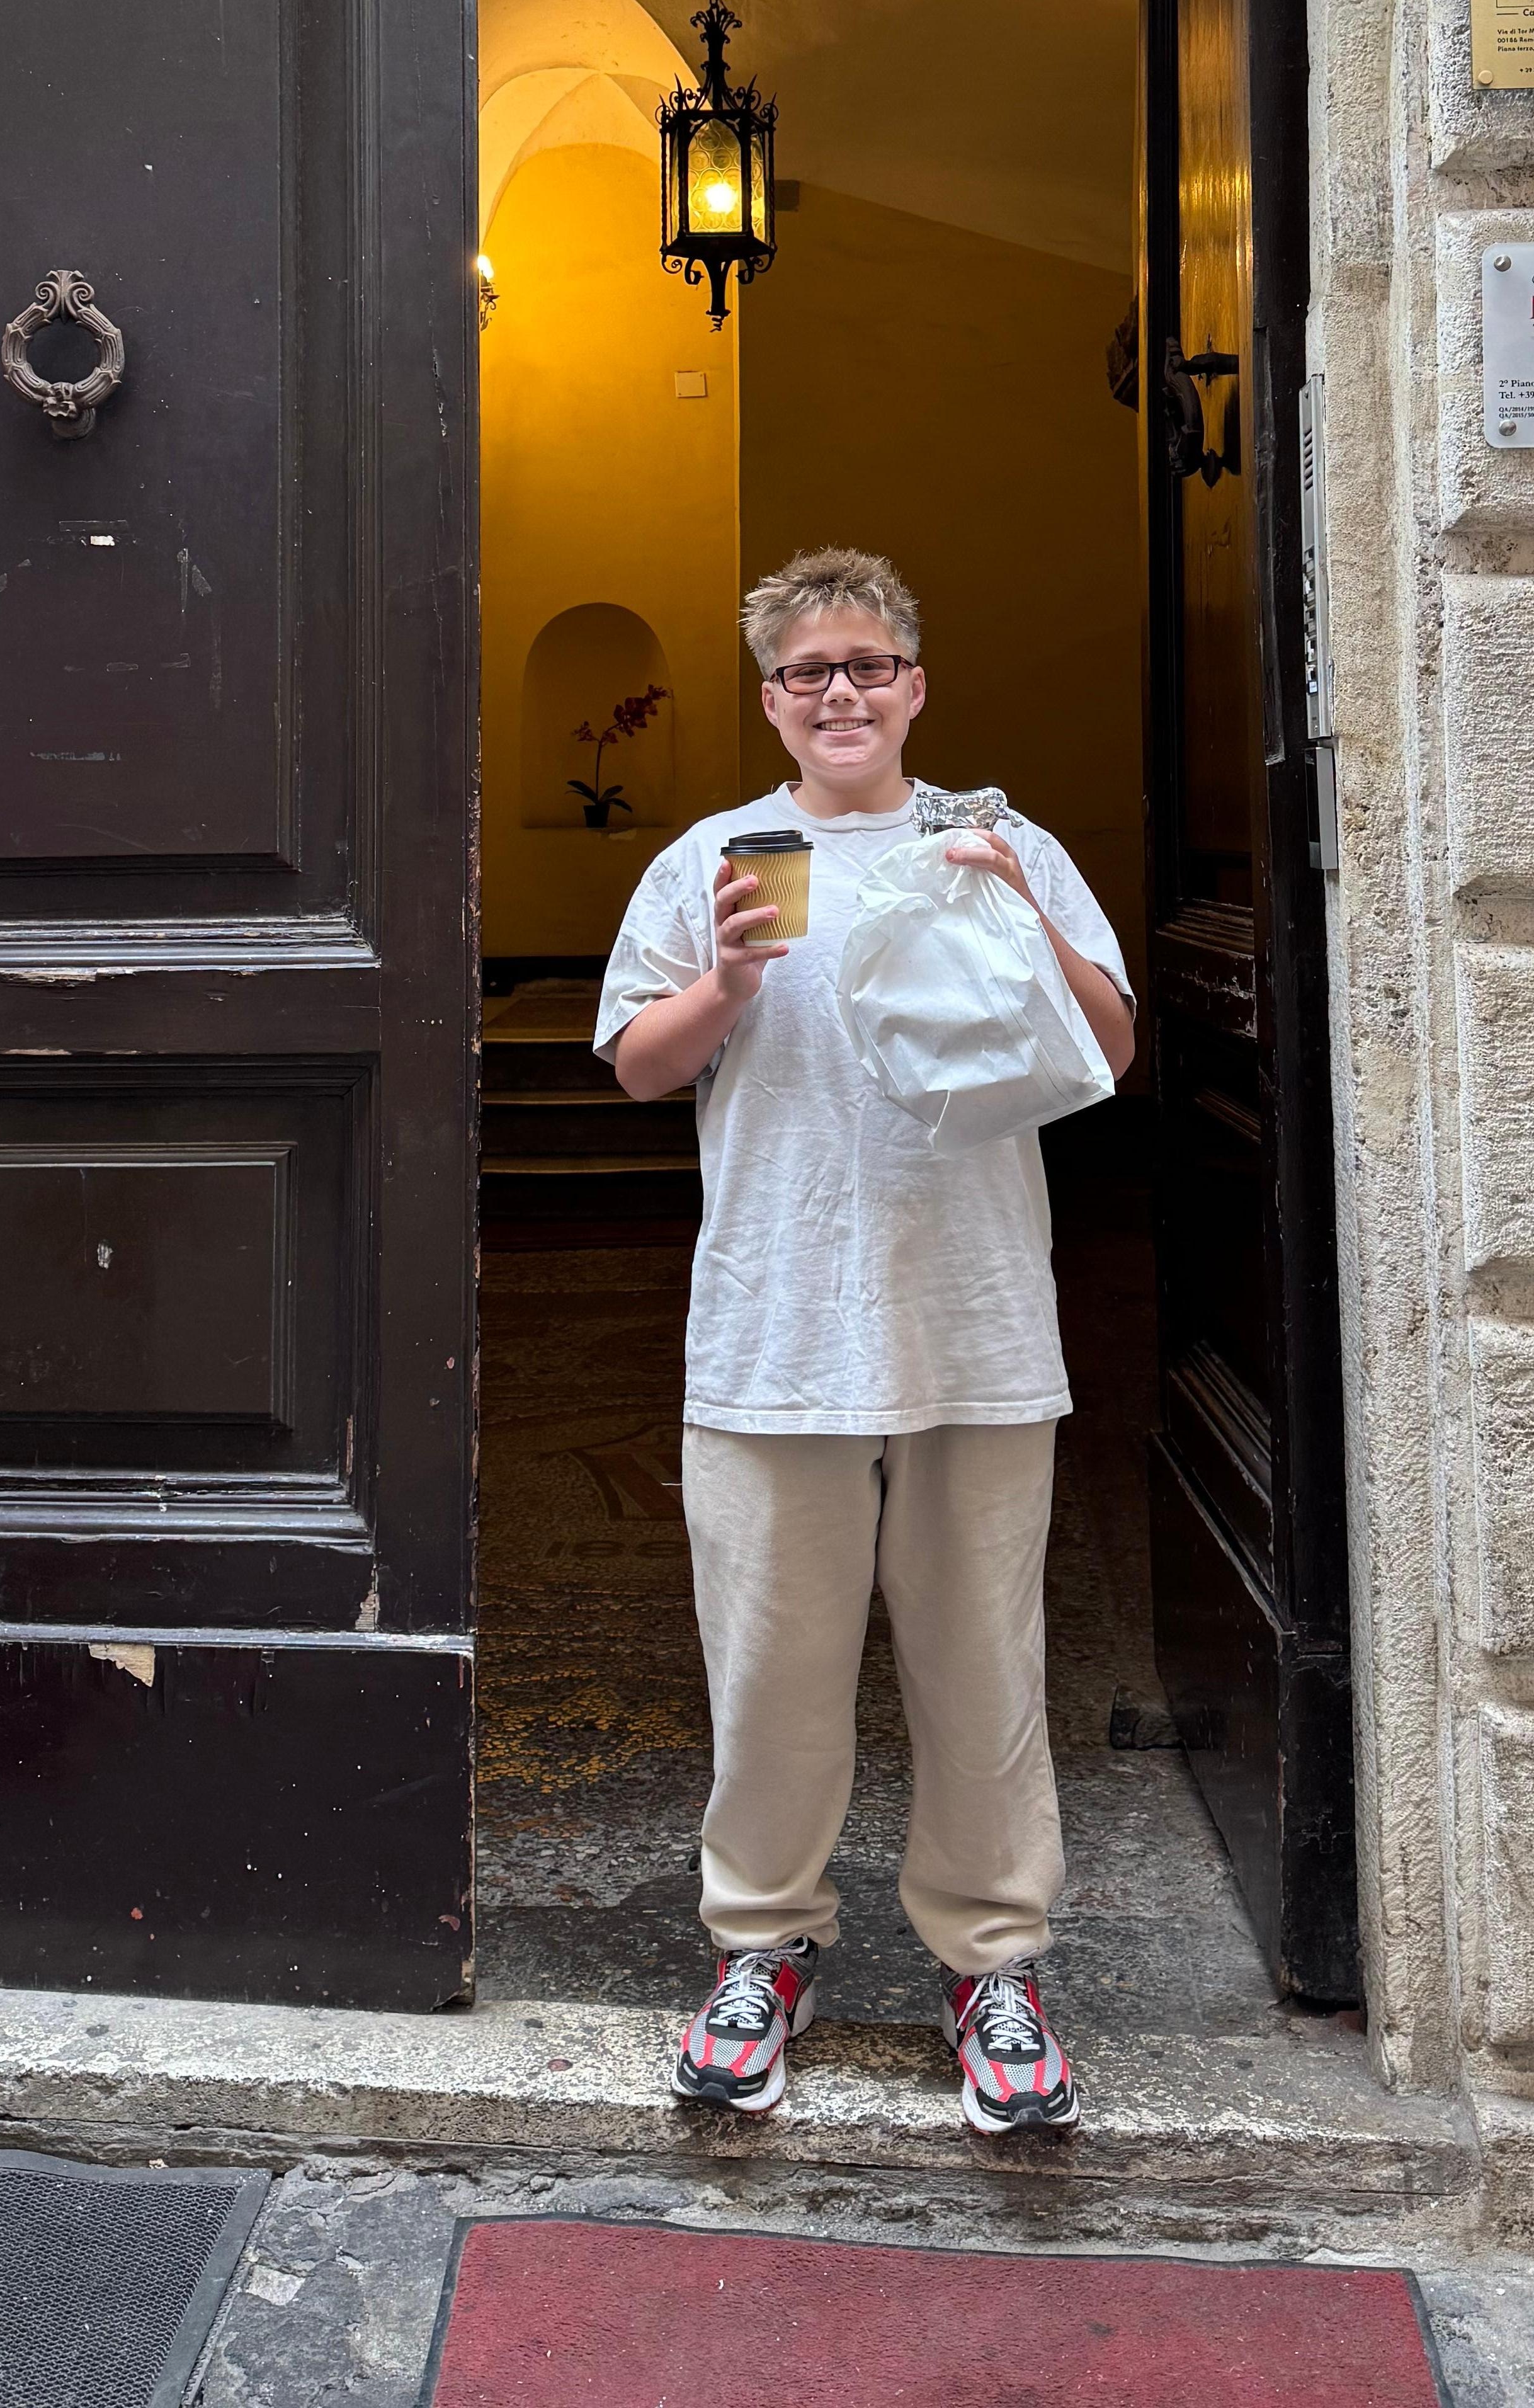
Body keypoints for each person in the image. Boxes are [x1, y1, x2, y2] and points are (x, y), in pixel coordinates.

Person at [595, 545, 1135, 2134]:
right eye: (809, 671)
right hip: (777, 1328)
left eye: (869, 665)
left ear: (915, 685)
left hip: (975, 1318)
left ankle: (996, 1964)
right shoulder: (716, 858)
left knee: (985, 1667)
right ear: (771, 701)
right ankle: (762, 1949)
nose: (842, 692)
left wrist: (1021, 903)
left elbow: (1111, 1046)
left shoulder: (1001, 842)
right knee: (773, 1672)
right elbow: (636, 1065)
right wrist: (728, 981)